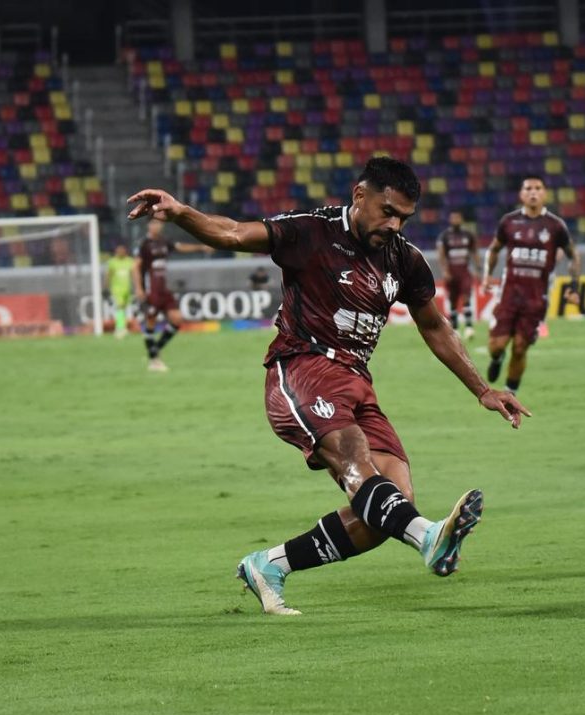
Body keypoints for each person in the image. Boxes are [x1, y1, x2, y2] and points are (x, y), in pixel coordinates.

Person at [127, 157, 530, 616]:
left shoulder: (404, 259)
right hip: (302, 368)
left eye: (404, 217)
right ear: (359, 195)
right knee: (358, 464)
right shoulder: (311, 231)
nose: (394, 225)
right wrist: (181, 213)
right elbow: (234, 233)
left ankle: (268, 565)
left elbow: (435, 325)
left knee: (389, 507)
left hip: (357, 382)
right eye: (388, 211)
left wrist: (482, 389)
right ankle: (428, 537)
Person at [482, 176, 581, 394]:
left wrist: (574, 287)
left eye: (538, 188)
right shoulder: (509, 222)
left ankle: (510, 394)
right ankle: (497, 359)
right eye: (528, 188)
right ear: (521, 194)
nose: (533, 192)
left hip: (535, 300)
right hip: (508, 295)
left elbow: (574, 255)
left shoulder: (555, 226)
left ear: (544, 194)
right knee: (496, 346)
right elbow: (494, 249)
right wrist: (487, 275)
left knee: (520, 347)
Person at [133, 219, 211, 371]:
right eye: (154, 223)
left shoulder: (164, 242)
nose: (157, 226)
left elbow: (180, 247)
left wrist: (201, 247)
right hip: (150, 289)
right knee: (151, 321)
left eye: (159, 223)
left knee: (177, 319)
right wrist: (138, 288)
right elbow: (135, 267)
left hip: (163, 289)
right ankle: (154, 360)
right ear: (148, 226)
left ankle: (154, 350)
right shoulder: (144, 244)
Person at [436, 211, 480, 340]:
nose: (455, 220)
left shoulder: (468, 235)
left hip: (464, 271)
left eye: (457, 218)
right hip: (452, 272)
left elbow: (474, 251)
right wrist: (445, 271)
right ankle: (455, 328)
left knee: (466, 297)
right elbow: (441, 255)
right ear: (450, 220)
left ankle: (469, 327)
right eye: (453, 218)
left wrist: (478, 268)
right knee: (453, 300)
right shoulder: (445, 236)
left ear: (461, 219)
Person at [103, 244, 136, 338]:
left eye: (122, 250)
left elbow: (134, 274)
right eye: (119, 250)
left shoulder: (130, 261)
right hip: (116, 289)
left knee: (124, 308)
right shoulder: (112, 262)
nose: (120, 252)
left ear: (125, 251)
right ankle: (120, 328)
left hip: (127, 288)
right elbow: (108, 275)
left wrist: (136, 286)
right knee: (120, 307)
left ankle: (122, 327)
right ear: (116, 251)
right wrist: (105, 287)